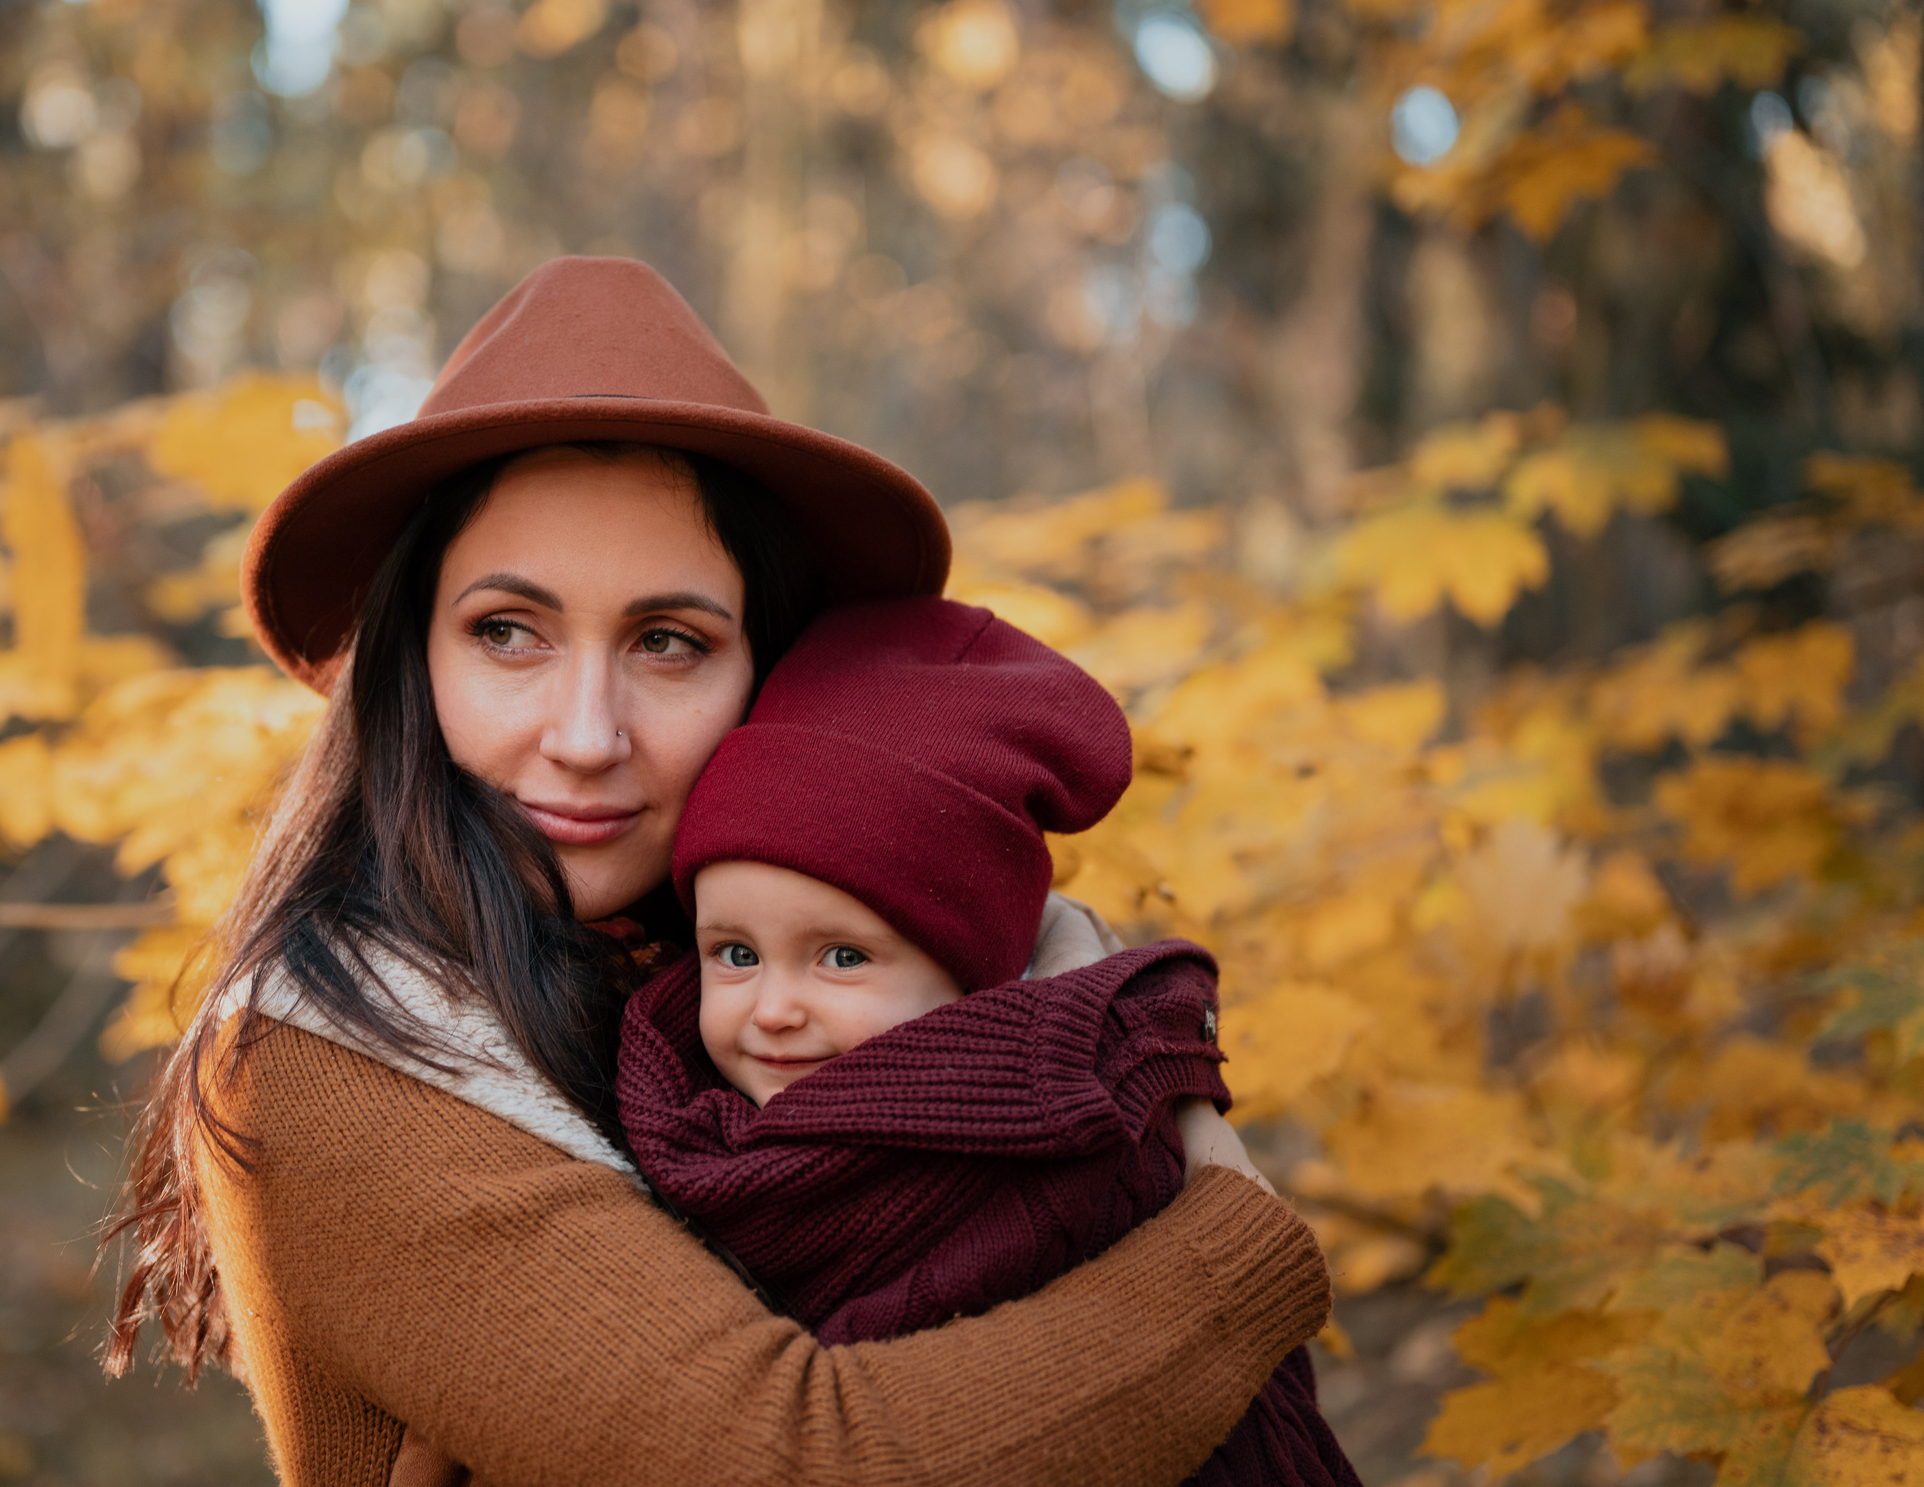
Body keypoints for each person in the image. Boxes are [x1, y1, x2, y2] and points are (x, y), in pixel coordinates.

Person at [107, 256, 1333, 1487]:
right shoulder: (333, 1058)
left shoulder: (728, 987)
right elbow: (798, 1461)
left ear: (767, 672)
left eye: (668, 642)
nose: (586, 735)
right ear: (407, 667)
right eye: (506, 632)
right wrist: (1233, 1242)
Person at [617, 595, 1357, 1486]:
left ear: (977, 981)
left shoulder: (1055, 1140)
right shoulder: (677, 1111)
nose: (772, 1007)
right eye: (735, 954)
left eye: (842, 956)